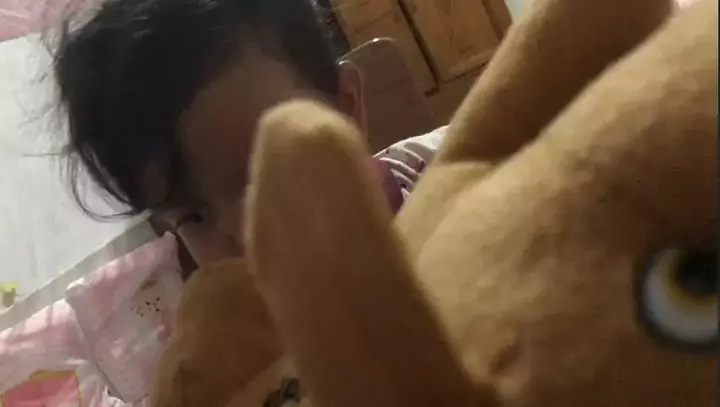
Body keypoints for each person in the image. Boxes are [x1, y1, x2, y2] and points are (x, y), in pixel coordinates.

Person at [54, 0, 445, 267]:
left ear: (347, 109)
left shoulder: (456, 197)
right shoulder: (247, 343)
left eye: (270, 174)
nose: (247, 238)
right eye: (194, 216)